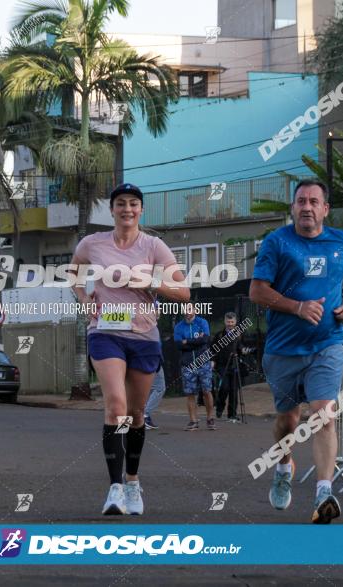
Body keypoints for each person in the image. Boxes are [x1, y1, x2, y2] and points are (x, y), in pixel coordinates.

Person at [249, 179, 343, 524]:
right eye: (300, 201)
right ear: (292, 207)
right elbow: (257, 291)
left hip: (326, 344)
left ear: (325, 209)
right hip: (283, 349)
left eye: (314, 201)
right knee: (288, 422)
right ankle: (284, 464)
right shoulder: (277, 242)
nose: (307, 207)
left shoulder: (342, 242)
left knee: (324, 415)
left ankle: (324, 494)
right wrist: (297, 307)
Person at [71, 182, 189, 515]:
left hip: (143, 335)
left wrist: (151, 282)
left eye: (133, 204)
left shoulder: (154, 246)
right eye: (121, 203)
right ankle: (115, 489)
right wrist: (83, 298)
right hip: (105, 331)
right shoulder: (92, 243)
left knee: (136, 416)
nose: (127, 209)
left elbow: (184, 292)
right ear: (111, 210)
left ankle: (133, 481)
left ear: (141, 210)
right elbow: (74, 270)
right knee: (116, 407)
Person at [174, 305, 215, 431]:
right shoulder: (179, 326)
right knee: (190, 393)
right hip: (188, 364)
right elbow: (179, 345)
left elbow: (205, 340)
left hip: (203, 361)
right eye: (185, 310)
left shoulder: (202, 322)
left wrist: (187, 341)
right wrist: (194, 341)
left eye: (190, 309)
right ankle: (193, 421)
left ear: (195, 310)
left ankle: (210, 418)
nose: (187, 312)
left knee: (207, 391)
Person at [212, 312, 241, 422]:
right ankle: (220, 407)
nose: (230, 324)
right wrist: (212, 361)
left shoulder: (239, 334)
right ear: (225, 322)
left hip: (234, 365)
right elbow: (213, 350)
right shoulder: (219, 335)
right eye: (228, 322)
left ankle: (232, 414)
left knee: (234, 390)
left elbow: (241, 347)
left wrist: (243, 350)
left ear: (235, 322)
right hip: (222, 366)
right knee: (224, 388)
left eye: (232, 322)